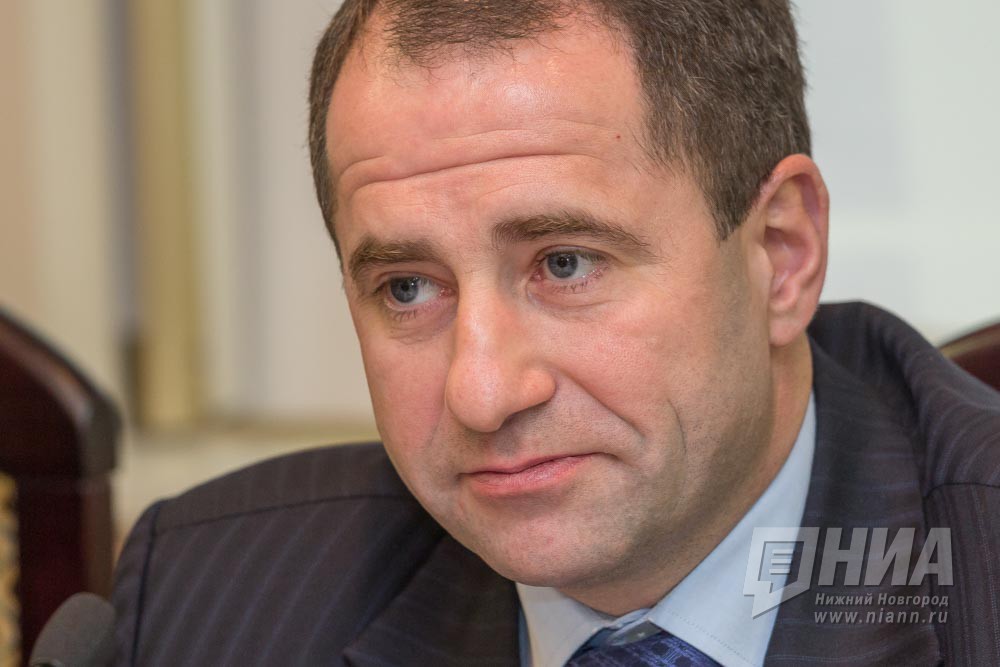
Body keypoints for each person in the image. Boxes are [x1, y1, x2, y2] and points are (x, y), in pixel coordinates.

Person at [112, 1, 1000, 665]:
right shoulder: (205, 600)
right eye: (408, 287)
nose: (482, 392)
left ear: (782, 252)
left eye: (565, 264)